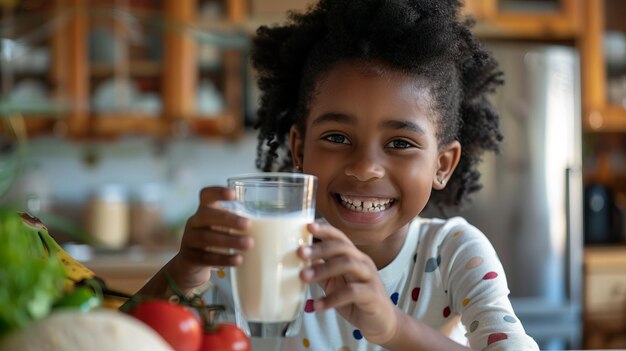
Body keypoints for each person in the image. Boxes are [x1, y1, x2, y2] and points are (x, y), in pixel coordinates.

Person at [128, 0, 540, 349]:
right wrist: (185, 270)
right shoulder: (255, 251)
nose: (364, 168)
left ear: (442, 165)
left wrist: (394, 327)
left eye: (400, 143)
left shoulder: (453, 253)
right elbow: (113, 337)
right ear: (300, 149)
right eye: (338, 137)